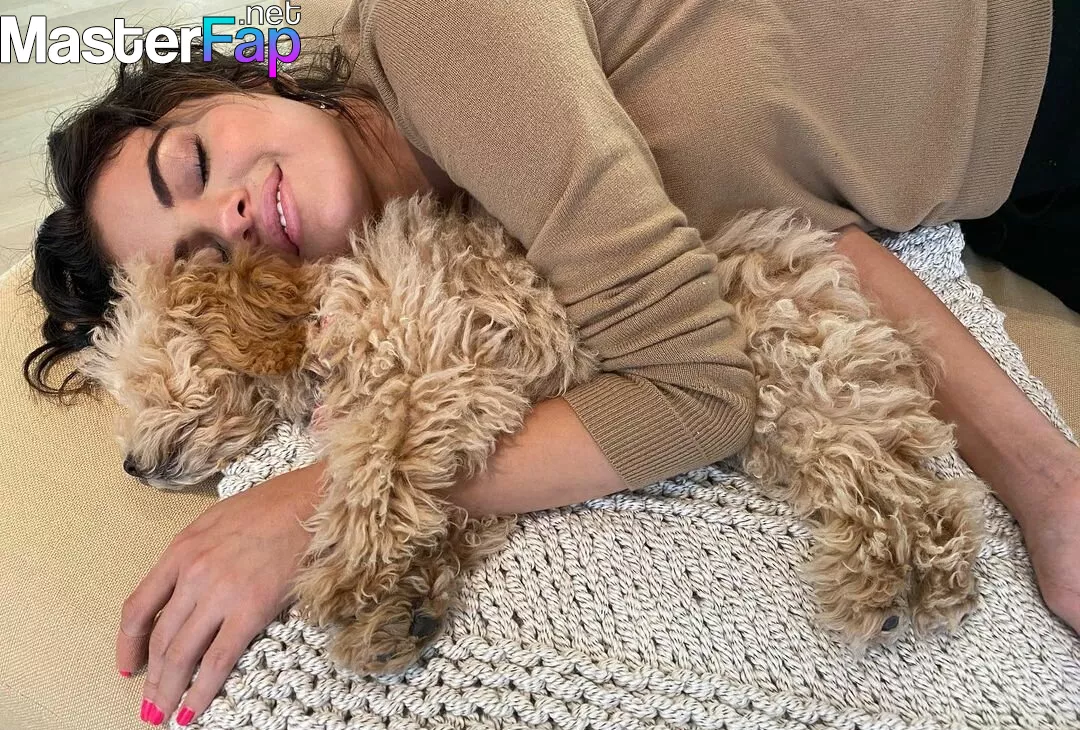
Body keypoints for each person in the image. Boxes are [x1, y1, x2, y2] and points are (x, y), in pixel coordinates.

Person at [21, 0, 1077, 726]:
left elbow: (700, 394)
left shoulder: (439, 33)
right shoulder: (454, 233)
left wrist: (336, 494)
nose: (232, 213)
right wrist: (1049, 487)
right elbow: (807, 244)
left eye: (191, 162)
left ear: (249, 76)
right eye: (206, 260)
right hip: (1010, 179)